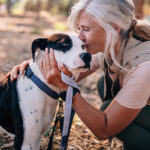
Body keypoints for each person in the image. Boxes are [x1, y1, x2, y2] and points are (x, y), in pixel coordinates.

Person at [6, 0, 150, 149]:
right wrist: (33, 64)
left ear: (114, 28)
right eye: (79, 28)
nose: (79, 37)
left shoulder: (145, 66)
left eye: (86, 29)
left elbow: (103, 130)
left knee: (108, 106)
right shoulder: (113, 44)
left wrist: (67, 90)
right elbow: (66, 68)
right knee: (103, 85)